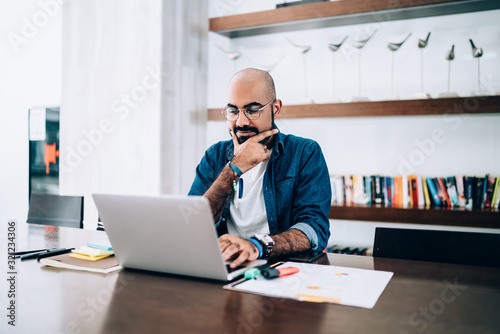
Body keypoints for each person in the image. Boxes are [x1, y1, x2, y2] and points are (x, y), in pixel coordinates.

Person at [189, 68, 331, 268]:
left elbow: (314, 229)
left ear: (276, 108)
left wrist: (256, 245)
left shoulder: (304, 153)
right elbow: (192, 224)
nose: (241, 121)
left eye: (252, 110)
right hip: (224, 268)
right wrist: (235, 168)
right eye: (233, 111)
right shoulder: (215, 156)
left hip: (280, 268)